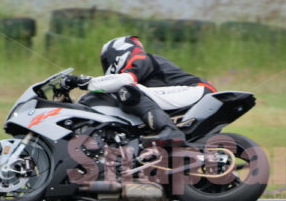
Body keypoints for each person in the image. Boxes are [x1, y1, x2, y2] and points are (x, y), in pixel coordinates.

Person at [60, 35, 217, 142]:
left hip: (197, 91)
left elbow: (125, 80)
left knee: (127, 91)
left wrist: (85, 82)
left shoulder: (141, 58)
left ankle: (170, 132)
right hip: (184, 97)